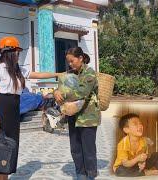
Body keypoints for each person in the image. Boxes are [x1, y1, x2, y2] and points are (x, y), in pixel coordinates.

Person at [0, 36, 61, 180]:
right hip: (2, 109)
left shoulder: (18, 70)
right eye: (17, 52)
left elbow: (38, 74)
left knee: (11, 145)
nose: (18, 55)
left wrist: (58, 74)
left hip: (14, 110)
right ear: (9, 53)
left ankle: (5, 177)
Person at [54, 47, 100, 180]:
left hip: (88, 117)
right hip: (73, 115)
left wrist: (61, 95)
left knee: (88, 149)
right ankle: (80, 173)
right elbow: (61, 87)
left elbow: (81, 92)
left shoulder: (89, 74)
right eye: (68, 62)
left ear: (80, 58)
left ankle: (90, 175)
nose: (70, 64)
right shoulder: (70, 74)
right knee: (75, 148)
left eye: (72, 61)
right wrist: (55, 92)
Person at [113, 113, 158, 177]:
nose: (140, 126)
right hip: (125, 166)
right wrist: (137, 159)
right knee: (120, 171)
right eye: (135, 124)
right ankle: (145, 173)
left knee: (156, 155)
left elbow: (143, 158)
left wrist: (142, 163)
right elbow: (125, 164)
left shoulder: (143, 141)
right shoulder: (122, 144)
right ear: (126, 130)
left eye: (140, 123)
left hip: (137, 166)